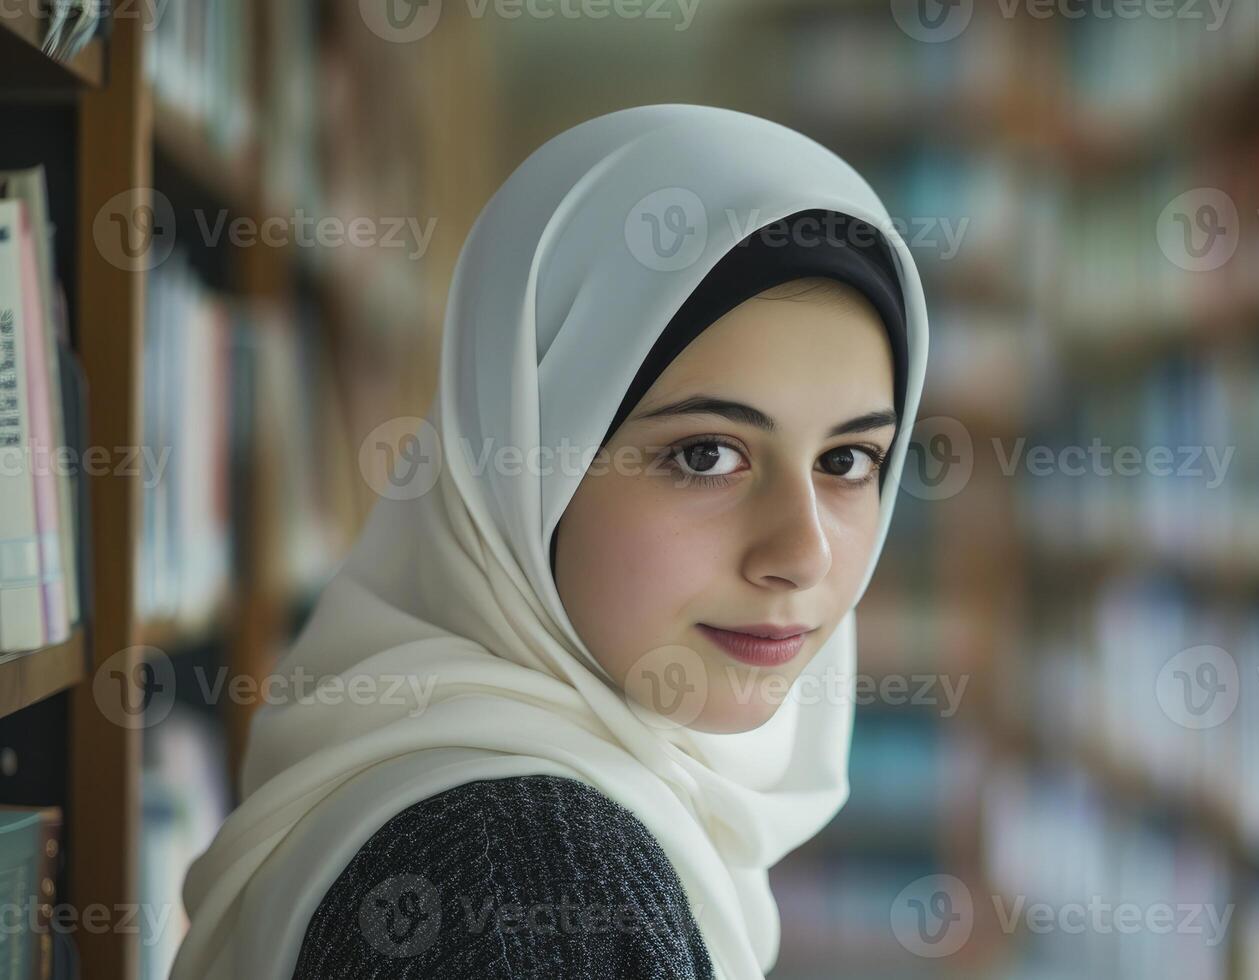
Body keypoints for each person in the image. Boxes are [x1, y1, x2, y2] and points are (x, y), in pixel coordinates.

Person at [168, 103, 928, 980]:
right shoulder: (533, 880)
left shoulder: (470, 794)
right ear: (529, 465)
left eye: (848, 458)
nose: (803, 553)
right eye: (705, 454)